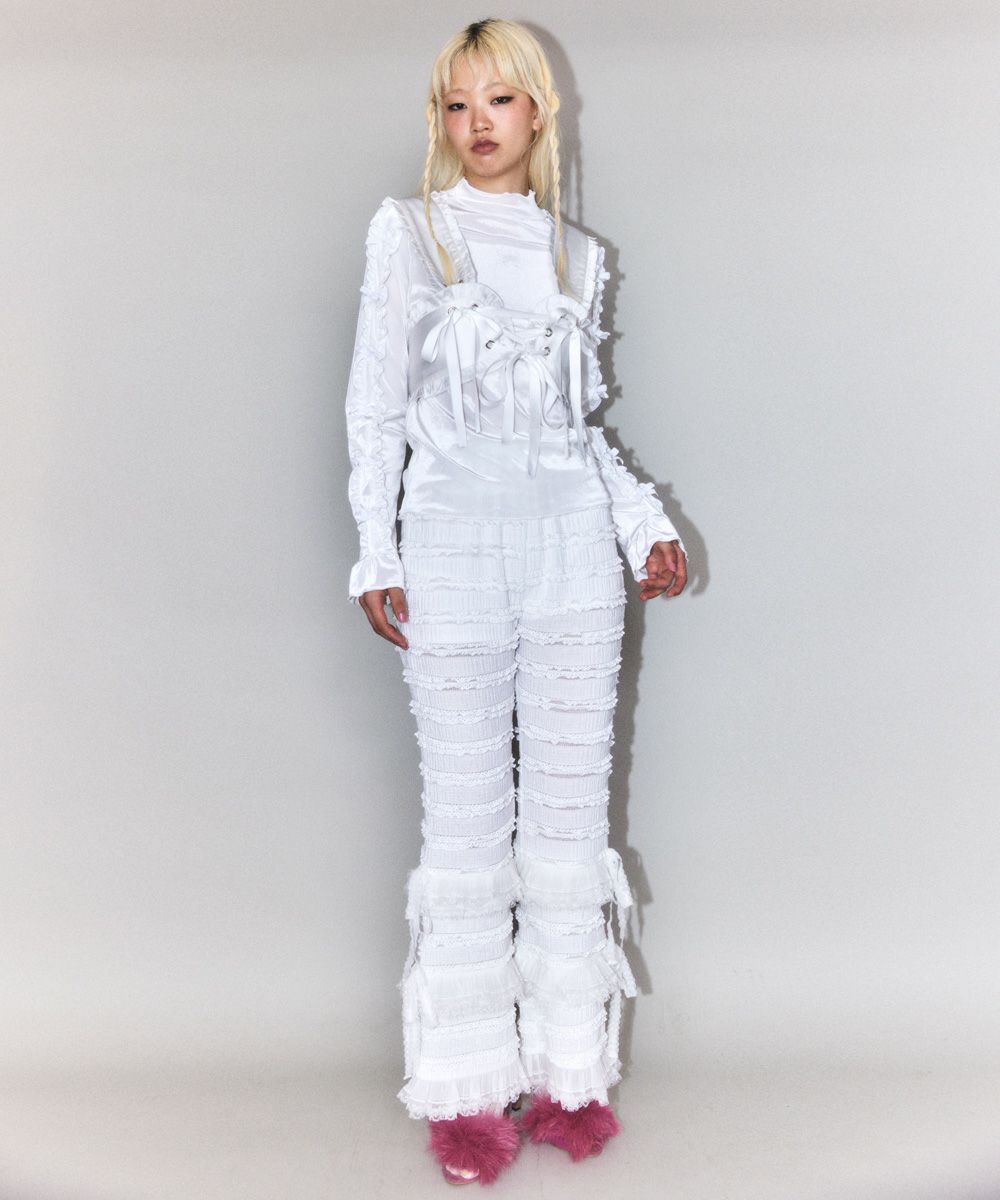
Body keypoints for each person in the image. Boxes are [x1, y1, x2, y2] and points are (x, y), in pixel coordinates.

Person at [344, 17, 688, 1186]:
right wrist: (375, 551)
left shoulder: (578, 257)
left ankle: (568, 1077)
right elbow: (375, 408)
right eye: (455, 103)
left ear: (540, 111)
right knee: (463, 822)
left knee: (566, 824)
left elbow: (575, 432)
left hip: (572, 556)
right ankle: (466, 1093)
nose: (475, 123)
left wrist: (642, 526)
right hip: (447, 547)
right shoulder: (409, 233)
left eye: (497, 99)